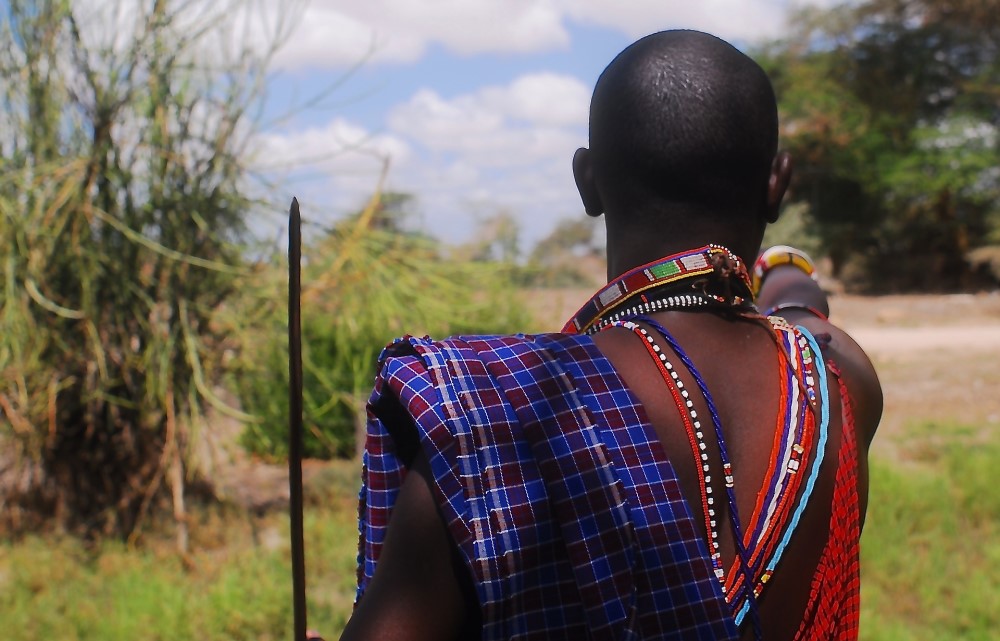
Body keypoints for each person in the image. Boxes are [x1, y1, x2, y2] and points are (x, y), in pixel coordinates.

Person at [340, 29, 882, 641]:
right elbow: (802, 312)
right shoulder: (841, 382)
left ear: (587, 182)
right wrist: (786, 267)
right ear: (777, 184)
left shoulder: (492, 417)